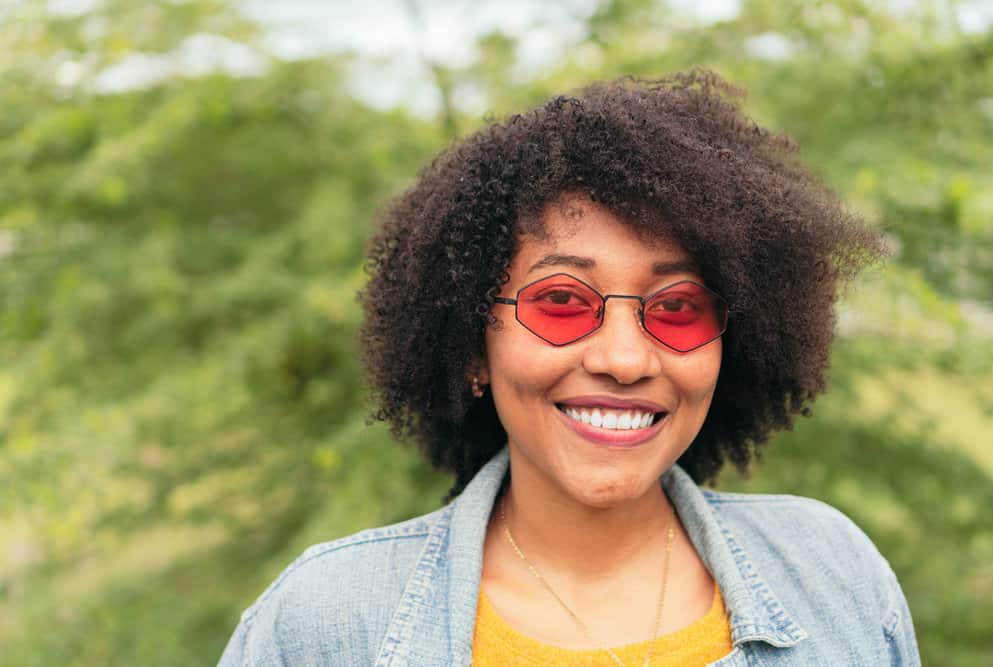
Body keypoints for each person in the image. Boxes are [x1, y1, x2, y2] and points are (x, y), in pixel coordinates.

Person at [218, 69, 920, 666]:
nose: (622, 357)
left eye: (678, 306)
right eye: (561, 301)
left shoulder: (833, 576)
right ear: (472, 346)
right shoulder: (326, 626)